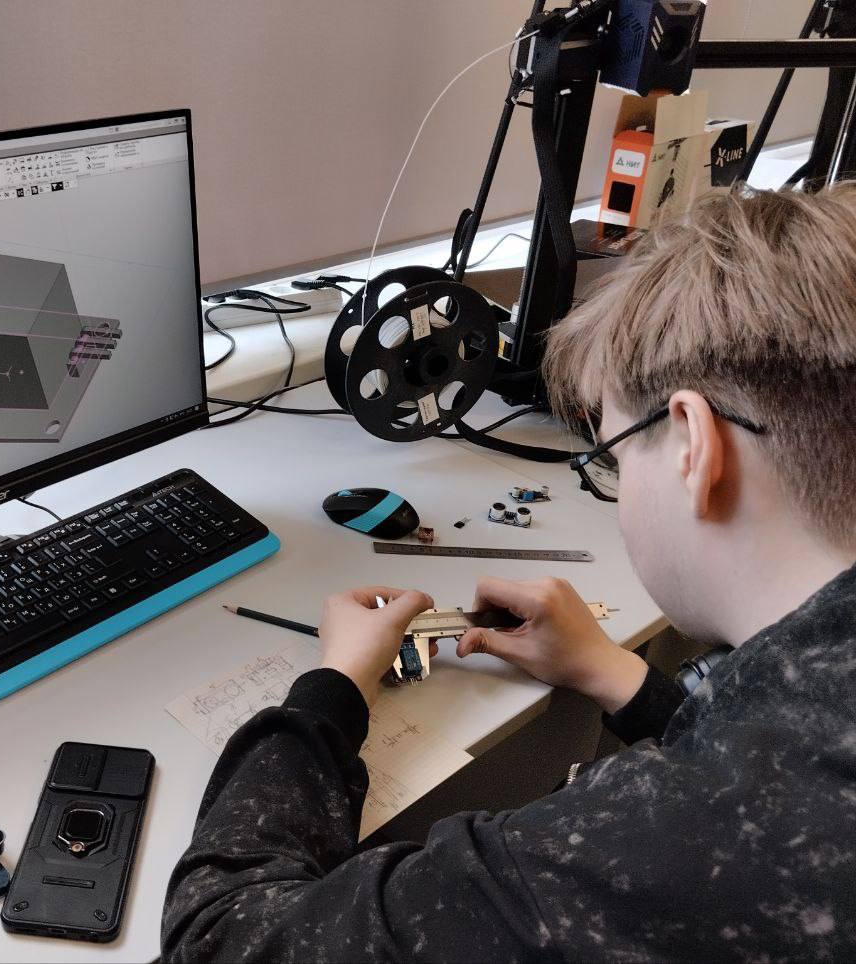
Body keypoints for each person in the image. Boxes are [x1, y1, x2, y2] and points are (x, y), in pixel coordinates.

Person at [162, 184, 856, 961]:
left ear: (694, 446)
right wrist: (613, 673)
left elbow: (220, 939)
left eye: (613, 455)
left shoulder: (668, 839)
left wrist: (332, 689)